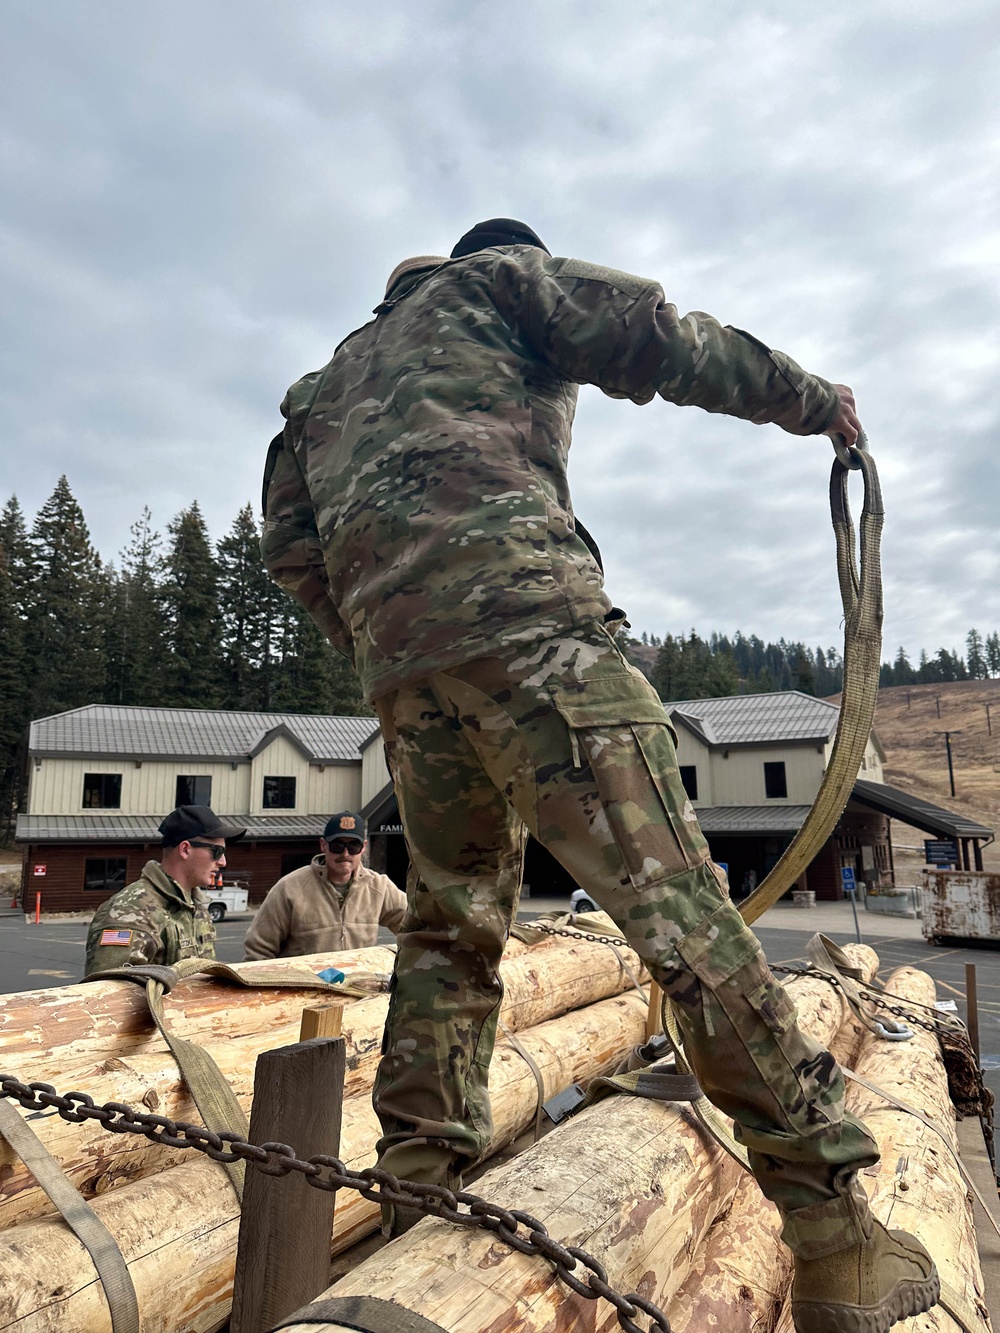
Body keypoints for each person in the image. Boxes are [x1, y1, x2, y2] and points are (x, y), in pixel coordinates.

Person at [260, 219, 938, 1331]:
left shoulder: (316, 390)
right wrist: (815, 400)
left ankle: (417, 1196)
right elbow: (654, 337)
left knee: (447, 932)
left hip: (407, 677)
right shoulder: (501, 283)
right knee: (682, 922)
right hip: (540, 638)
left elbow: (291, 546)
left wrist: (392, 640)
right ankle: (835, 1235)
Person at [84, 805, 246, 976]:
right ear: (185, 849)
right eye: (217, 852)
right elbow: (108, 995)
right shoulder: (129, 912)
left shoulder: (196, 907)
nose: (223, 862)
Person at [243, 811, 406, 958]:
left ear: (363, 847)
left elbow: (417, 926)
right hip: (302, 988)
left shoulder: (379, 886)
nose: (345, 854)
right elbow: (258, 951)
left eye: (353, 846)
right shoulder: (289, 888)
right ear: (323, 845)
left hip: (357, 987)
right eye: (338, 845)